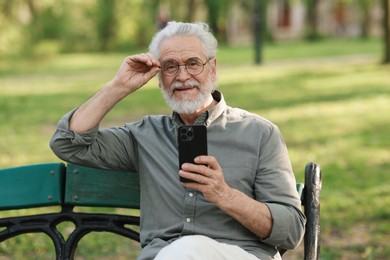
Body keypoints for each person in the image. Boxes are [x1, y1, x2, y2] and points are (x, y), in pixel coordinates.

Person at [50, 21, 305, 260]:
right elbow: (67, 142)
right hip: (167, 255)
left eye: (193, 63)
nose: (182, 76)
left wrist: (225, 195)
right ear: (159, 76)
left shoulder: (259, 133)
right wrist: (118, 86)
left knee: (187, 249)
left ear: (213, 68)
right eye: (170, 66)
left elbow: (291, 230)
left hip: (241, 254)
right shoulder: (145, 135)